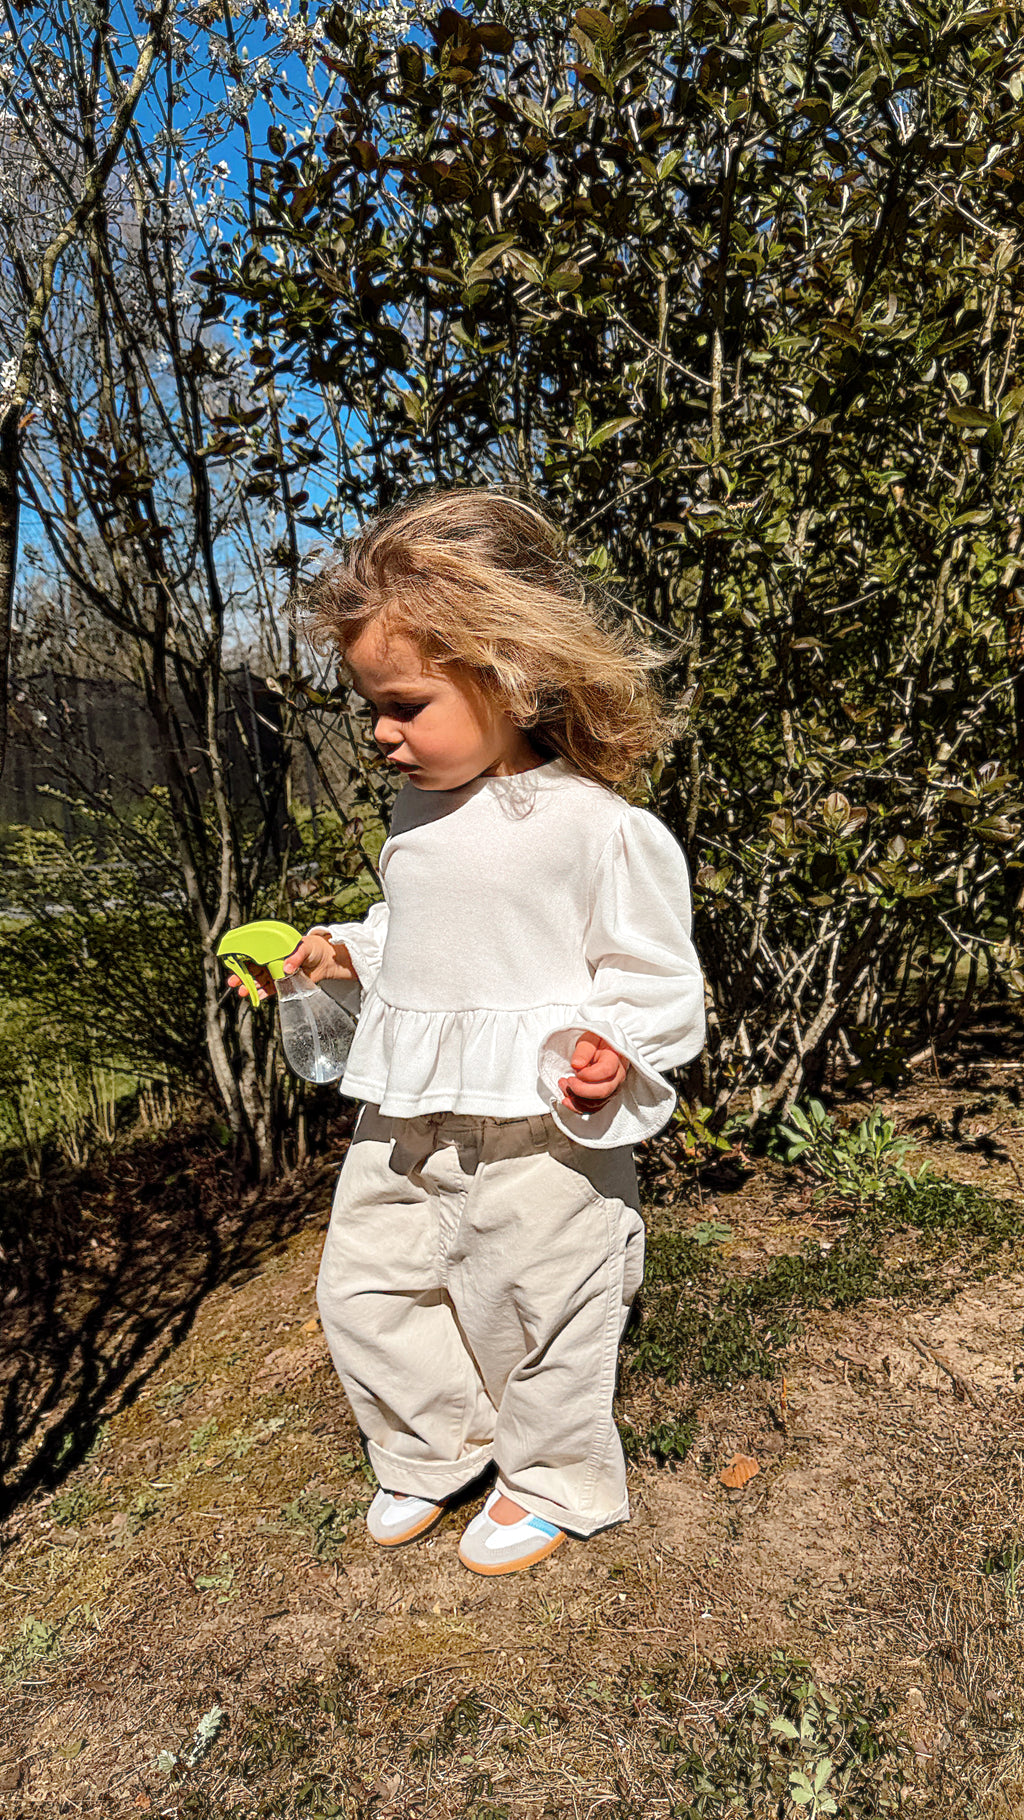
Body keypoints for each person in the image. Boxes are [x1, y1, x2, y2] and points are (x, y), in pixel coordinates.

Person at [230, 489, 705, 1575]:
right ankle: (437, 1440)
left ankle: (547, 1475)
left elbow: (655, 976)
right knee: (368, 1282)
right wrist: (349, 947)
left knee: (537, 1299)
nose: (385, 736)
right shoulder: (418, 817)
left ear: (508, 674)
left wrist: (613, 1049)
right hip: (405, 1107)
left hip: (539, 1122)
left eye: (404, 704)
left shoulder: (598, 827)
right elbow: (425, 929)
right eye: (372, 710)